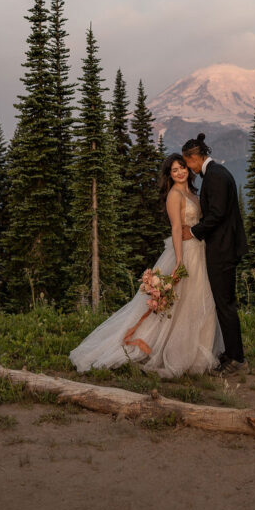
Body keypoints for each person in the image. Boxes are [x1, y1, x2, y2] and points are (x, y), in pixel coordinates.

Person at [69, 153, 223, 379]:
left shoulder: (191, 192)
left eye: (182, 167)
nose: (180, 172)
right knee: (183, 305)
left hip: (199, 251)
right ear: (169, 175)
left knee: (202, 302)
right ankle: (177, 354)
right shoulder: (174, 195)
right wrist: (179, 261)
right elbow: (175, 229)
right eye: (174, 170)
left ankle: (199, 355)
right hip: (186, 253)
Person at [182, 132, 248, 375]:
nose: (188, 168)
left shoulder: (215, 177)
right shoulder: (216, 173)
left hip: (223, 249)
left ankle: (237, 359)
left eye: (187, 162)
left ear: (195, 159)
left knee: (225, 304)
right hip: (223, 248)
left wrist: (194, 231)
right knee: (224, 303)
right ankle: (232, 352)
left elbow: (217, 214)